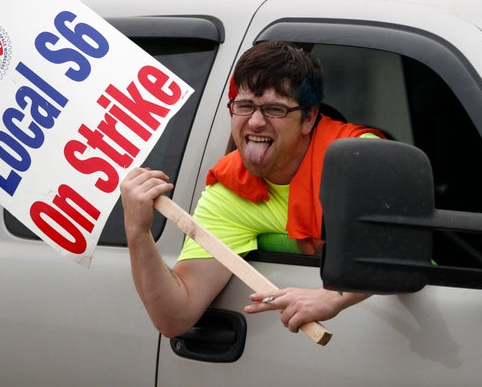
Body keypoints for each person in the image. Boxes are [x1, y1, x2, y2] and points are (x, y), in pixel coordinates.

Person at [121, 41, 383, 338]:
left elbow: (396, 252)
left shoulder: (362, 159)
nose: (256, 122)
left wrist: (333, 296)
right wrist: (137, 232)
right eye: (244, 106)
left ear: (308, 118)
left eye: (275, 109)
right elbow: (176, 316)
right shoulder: (231, 191)